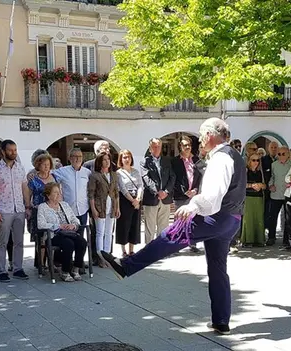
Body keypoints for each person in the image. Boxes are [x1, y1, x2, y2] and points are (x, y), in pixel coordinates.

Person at [99, 118, 246, 335]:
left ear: (211, 136)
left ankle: (127, 266)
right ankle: (221, 321)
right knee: (217, 269)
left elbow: (214, 195)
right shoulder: (233, 156)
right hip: (232, 219)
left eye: (202, 135)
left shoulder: (221, 158)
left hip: (217, 216)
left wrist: (193, 205)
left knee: (172, 234)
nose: (200, 140)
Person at [0, 140, 30, 281]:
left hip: (19, 208)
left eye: (15, 150)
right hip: (3, 209)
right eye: (10, 150)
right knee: (3, 241)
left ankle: (18, 268)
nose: (13, 152)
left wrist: (28, 205)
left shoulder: (20, 168)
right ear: (3, 151)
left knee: (19, 241)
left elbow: (24, 187)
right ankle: (1, 270)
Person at [37, 183, 87, 282]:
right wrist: (58, 226)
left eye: (59, 192)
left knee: (82, 242)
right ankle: (65, 271)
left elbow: (75, 219)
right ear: (48, 195)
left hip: (69, 232)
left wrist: (73, 225)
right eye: (55, 192)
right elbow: (40, 224)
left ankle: (75, 269)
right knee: (68, 244)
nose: (59, 194)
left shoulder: (64, 205)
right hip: (53, 235)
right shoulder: (42, 207)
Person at [141, 138, 176, 243]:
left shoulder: (167, 161)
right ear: (150, 148)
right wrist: (157, 191)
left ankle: (160, 249)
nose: (157, 149)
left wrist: (166, 191)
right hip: (151, 198)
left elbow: (172, 177)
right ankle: (148, 250)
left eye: (158, 147)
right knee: (150, 227)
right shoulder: (145, 161)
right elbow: (146, 178)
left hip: (165, 198)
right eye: (154, 147)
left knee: (163, 226)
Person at [171, 137, 202, 253]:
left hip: (194, 196)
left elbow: (201, 177)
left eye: (189, 145)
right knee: (179, 219)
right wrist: (184, 191)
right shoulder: (175, 161)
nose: (187, 147)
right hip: (180, 196)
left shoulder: (197, 160)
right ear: (180, 147)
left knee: (193, 220)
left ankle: (192, 243)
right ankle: (177, 243)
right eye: (185, 145)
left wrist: (196, 190)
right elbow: (174, 178)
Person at [88, 152, 120, 266]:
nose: (107, 162)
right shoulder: (94, 175)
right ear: (99, 162)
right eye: (104, 160)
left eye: (108, 159)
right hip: (99, 206)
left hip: (111, 206)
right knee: (99, 233)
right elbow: (91, 194)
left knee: (108, 232)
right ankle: (100, 257)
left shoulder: (114, 174)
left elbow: (116, 193)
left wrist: (117, 208)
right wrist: (93, 209)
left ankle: (107, 256)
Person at [53, 147, 91, 234]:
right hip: (68, 209)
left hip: (83, 209)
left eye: (80, 156)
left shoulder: (87, 172)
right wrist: (32, 174)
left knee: (81, 236)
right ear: (70, 158)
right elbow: (48, 175)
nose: (78, 159)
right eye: (75, 156)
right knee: (70, 235)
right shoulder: (62, 171)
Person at [115, 149, 143, 257]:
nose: (127, 159)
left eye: (129, 157)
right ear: (121, 159)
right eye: (124, 157)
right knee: (124, 225)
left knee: (134, 224)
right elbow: (122, 188)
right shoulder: (119, 173)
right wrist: (132, 200)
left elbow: (140, 185)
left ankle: (132, 249)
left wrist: (138, 199)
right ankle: (124, 251)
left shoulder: (135, 171)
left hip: (136, 200)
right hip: (125, 201)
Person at [267, 146, 291, 246]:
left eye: (283, 154)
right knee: (272, 217)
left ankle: (286, 239)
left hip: (287, 194)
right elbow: (272, 176)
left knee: (287, 218)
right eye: (279, 154)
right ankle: (271, 237)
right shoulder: (274, 165)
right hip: (275, 194)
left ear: (288, 155)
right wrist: (270, 185)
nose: (281, 156)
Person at [241, 153, 266, 247]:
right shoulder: (246, 171)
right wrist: (251, 185)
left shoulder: (260, 172)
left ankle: (259, 240)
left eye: (257, 160)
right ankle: (248, 240)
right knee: (248, 219)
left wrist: (260, 186)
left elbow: (265, 185)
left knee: (259, 218)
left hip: (259, 197)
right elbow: (242, 184)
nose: (256, 162)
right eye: (253, 160)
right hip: (248, 197)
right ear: (249, 161)